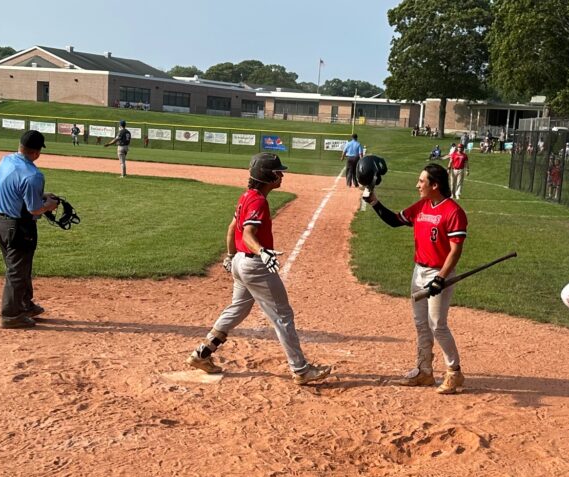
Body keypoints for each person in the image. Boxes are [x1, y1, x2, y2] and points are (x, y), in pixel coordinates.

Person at [185, 153, 332, 385]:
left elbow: (233, 228)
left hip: (240, 264)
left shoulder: (247, 197)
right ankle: (301, 369)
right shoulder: (258, 201)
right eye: (277, 172)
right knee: (282, 315)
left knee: (238, 309)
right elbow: (248, 233)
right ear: (267, 176)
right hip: (255, 265)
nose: (281, 175)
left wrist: (231, 256)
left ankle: (202, 354)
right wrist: (263, 251)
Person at [363, 163, 469, 395]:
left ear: (435, 185)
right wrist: (373, 202)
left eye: (421, 181)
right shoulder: (422, 206)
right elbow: (394, 220)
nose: (417, 185)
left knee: (437, 325)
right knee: (421, 323)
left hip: (438, 273)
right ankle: (424, 371)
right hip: (418, 271)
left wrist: (440, 278)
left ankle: (455, 372)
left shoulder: (453, 212)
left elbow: (455, 251)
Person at [0, 130, 60, 329]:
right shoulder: (33, 175)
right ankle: (11, 315)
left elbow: (14, 190)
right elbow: (34, 209)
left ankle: (24, 305)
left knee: (20, 268)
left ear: (20, 145)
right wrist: (50, 205)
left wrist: (42, 196)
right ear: (37, 153)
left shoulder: (6, 161)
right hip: (19, 227)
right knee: (17, 271)